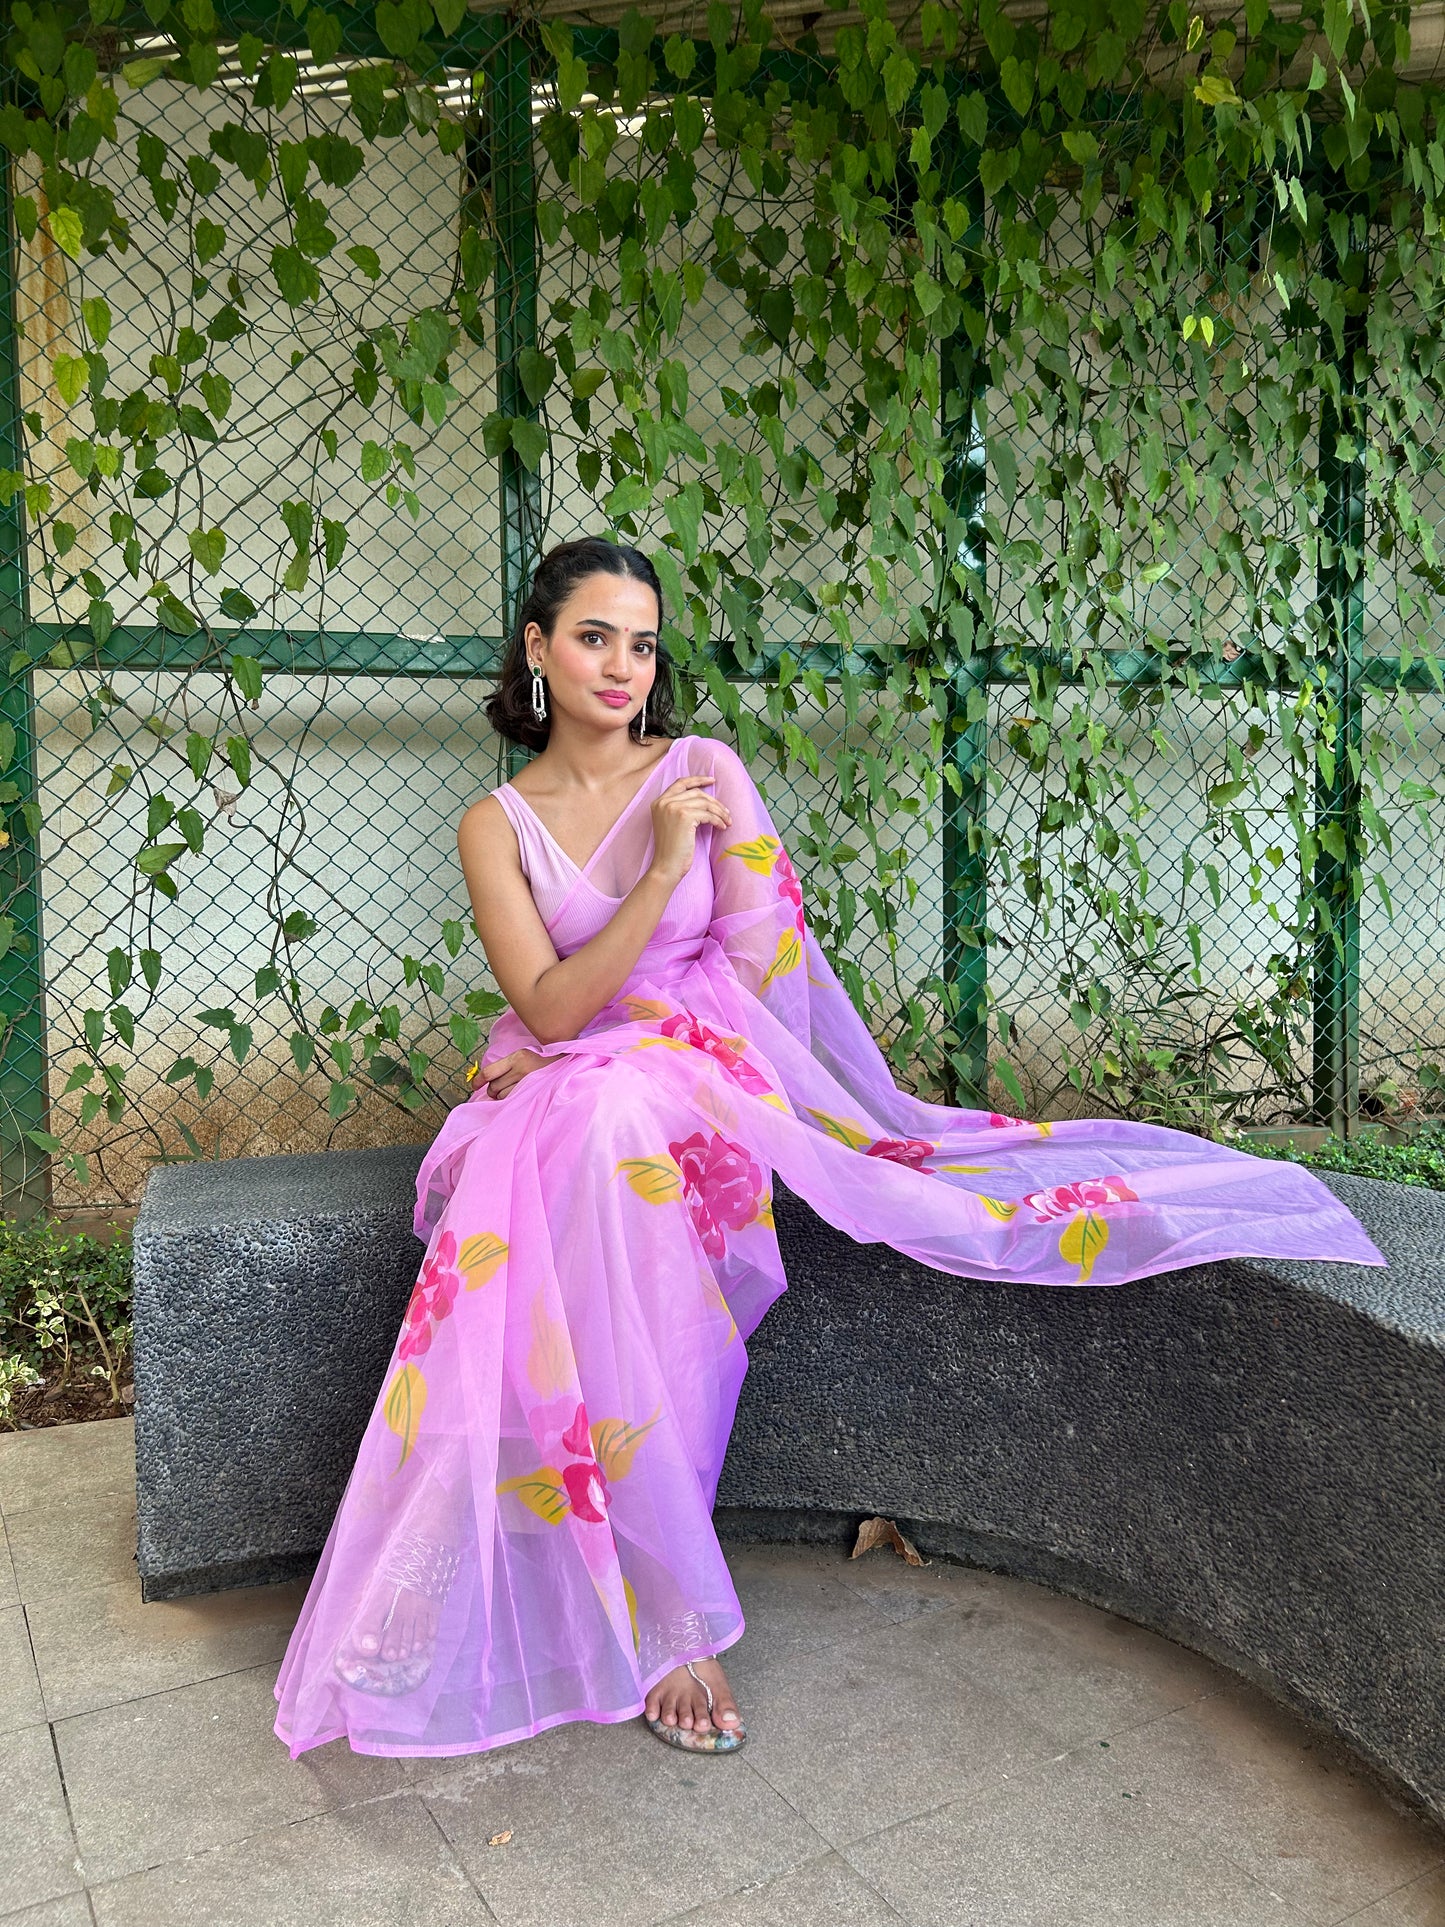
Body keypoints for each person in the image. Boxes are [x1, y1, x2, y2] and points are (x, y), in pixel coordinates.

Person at [272, 534, 1385, 1763]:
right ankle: (651, 1597)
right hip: (568, 1090)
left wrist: (632, 1019)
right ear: (535, 648)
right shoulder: (499, 824)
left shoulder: (701, 771)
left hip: (697, 1077)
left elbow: (757, 964)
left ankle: (633, 1578)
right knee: (582, 1128)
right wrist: (645, 896)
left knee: (604, 1119)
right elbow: (540, 1010)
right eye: (593, 637)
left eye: (642, 643)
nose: (622, 667)